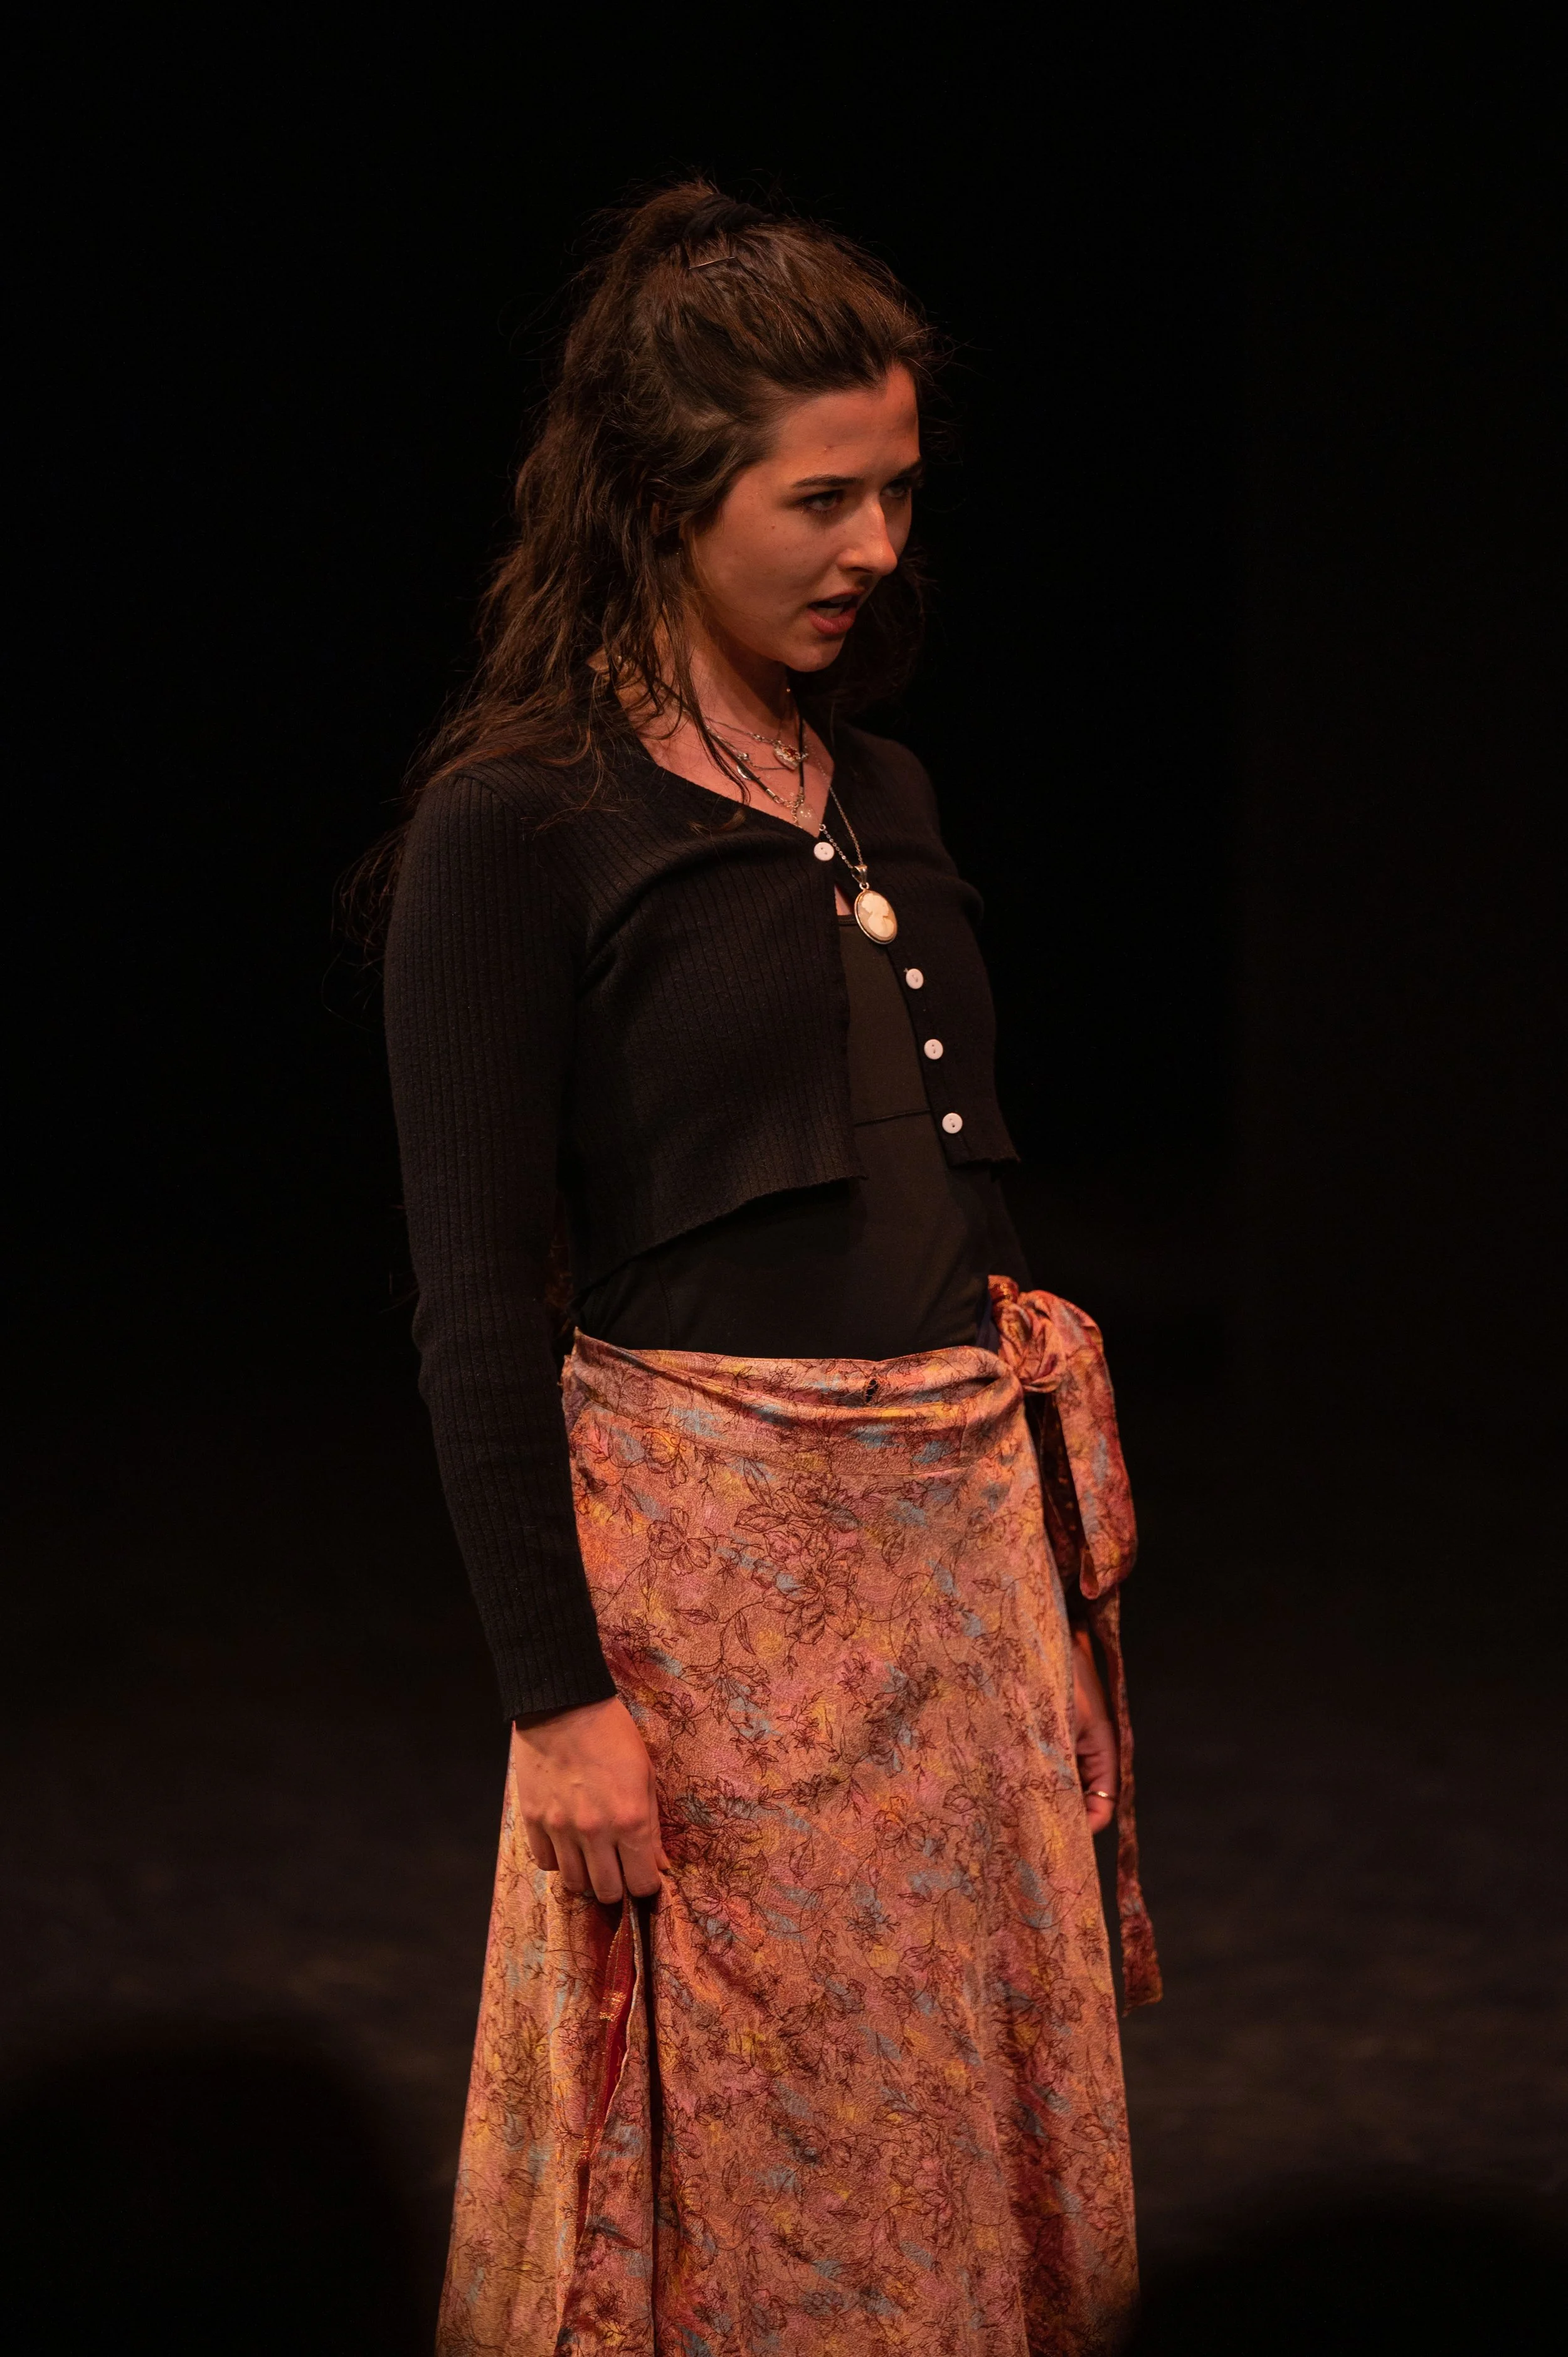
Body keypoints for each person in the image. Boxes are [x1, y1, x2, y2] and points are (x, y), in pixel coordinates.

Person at [379, 181, 1157, 2357]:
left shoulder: (877, 782)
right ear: (661, 495)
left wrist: (1053, 1612)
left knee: (951, 2109)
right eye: (820, 499)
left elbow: (967, 1230)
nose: (875, 548)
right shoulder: (519, 820)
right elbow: (469, 1298)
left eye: (897, 491)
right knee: (741, 2137)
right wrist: (558, 1697)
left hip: (953, 1588)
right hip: (710, 1611)